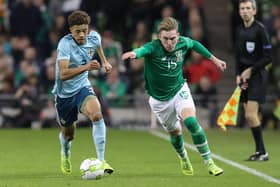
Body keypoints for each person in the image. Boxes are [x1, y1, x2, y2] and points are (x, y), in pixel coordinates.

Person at [122, 17, 226, 176]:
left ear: (178, 35)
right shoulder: (153, 47)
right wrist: (134, 53)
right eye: (165, 39)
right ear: (159, 37)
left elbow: (195, 44)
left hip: (179, 90)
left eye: (173, 39)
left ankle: (209, 162)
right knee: (176, 133)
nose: (170, 43)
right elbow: (142, 50)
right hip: (159, 101)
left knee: (191, 122)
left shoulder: (183, 42)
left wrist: (215, 59)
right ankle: (183, 157)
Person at [52, 10, 114, 175]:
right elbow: (63, 74)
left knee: (96, 114)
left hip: (82, 87)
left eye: (84, 30)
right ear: (70, 30)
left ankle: (101, 160)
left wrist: (105, 62)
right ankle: (65, 153)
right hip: (64, 95)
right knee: (69, 134)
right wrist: (87, 67)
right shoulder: (64, 45)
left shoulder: (94, 37)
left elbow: (98, 45)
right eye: (77, 31)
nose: (81, 34)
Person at [235, 0, 272, 161]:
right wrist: (238, 73)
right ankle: (259, 151)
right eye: (242, 8)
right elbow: (238, 55)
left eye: (248, 8)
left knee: (250, 113)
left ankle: (263, 152)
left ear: (254, 11)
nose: (245, 11)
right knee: (249, 115)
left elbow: (268, 57)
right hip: (244, 76)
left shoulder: (260, 30)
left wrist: (251, 70)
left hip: (258, 75)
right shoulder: (239, 30)